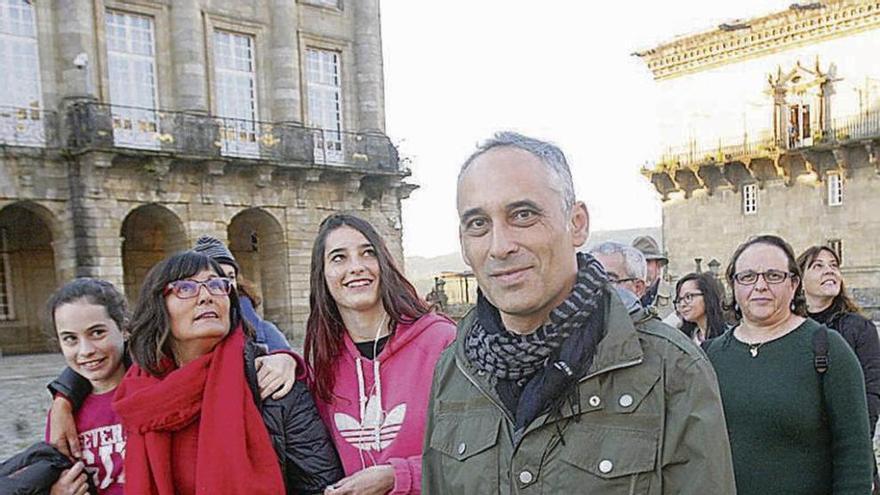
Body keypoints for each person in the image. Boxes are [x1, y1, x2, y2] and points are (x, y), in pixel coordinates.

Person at [422, 131, 735, 493]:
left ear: (577, 223)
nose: (500, 246)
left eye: (523, 215)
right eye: (478, 224)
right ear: (463, 242)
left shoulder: (670, 369)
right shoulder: (454, 369)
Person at [112, 251, 343, 494]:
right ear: (158, 305)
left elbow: (322, 487)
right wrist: (66, 394)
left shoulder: (272, 382)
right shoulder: (138, 393)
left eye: (215, 285)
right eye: (185, 287)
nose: (206, 296)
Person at [46, 238, 299, 459]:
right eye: (186, 287)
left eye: (219, 282)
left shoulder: (259, 356)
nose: (205, 296)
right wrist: (63, 400)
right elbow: (102, 358)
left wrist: (286, 358)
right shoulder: (149, 374)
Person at [705, 235, 873, 494]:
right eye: (747, 276)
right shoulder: (711, 355)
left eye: (773, 276)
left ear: (794, 284)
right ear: (734, 286)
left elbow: (854, 453)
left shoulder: (827, 348)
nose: (760, 285)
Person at [304, 213, 456, 494]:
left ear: (383, 264)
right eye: (339, 258)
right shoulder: (325, 363)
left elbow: (478, 456)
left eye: (367, 253)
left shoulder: (441, 342)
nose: (356, 267)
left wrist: (398, 477)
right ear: (322, 276)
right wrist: (284, 361)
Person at [798, 244, 880, 492]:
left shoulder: (859, 328)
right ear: (798, 280)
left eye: (834, 266)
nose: (829, 271)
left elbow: (872, 391)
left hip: (846, 448)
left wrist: (853, 445)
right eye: (818, 266)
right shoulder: (788, 328)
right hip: (799, 451)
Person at [45, 278, 130, 495]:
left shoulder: (151, 389)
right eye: (70, 339)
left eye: (97, 333)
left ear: (124, 329)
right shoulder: (63, 414)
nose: (85, 350)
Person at [192, 235, 292, 351]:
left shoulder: (266, 332)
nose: (225, 284)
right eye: (216, 278)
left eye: (230, 277)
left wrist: (286, 359)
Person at [673, 272, 728, 347]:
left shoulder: (728, 336)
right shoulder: (684, 338)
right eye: (680, 299)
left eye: (688, 297)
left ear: (707, 296)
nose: (682, 304)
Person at [631, 235, 673, 317]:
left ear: (658, 266)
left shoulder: (674, 297)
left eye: (647, 262)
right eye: (638, 262)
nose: (643, 267)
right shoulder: (624, 298)